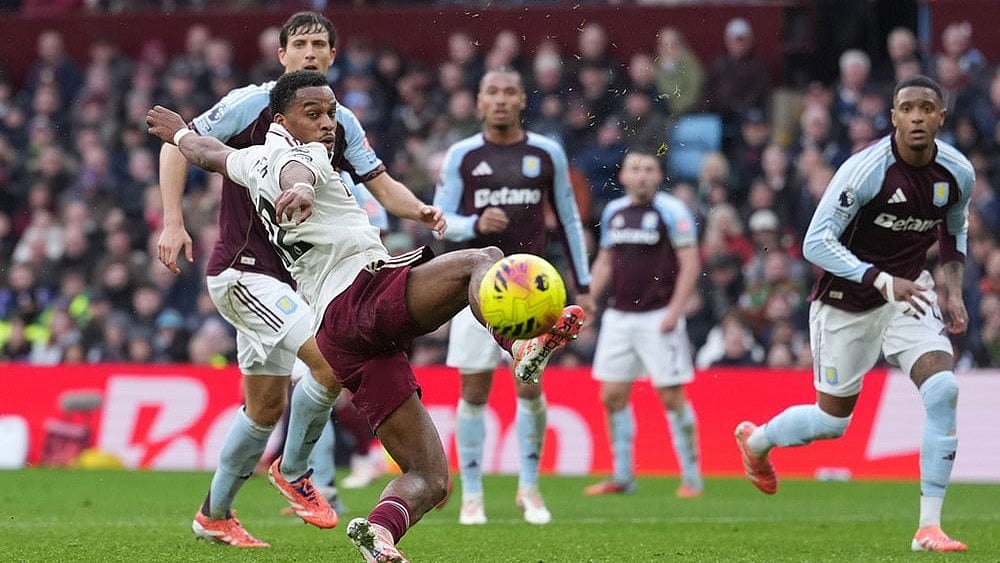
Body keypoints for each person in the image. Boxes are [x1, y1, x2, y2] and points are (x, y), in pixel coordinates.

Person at [147, 69, 585, 563]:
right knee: (481, 260)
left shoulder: (250, 160)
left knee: (431, 475)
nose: (328, 123)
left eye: (332, 112)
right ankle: (518, 344)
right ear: (283, 118)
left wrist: (180, 132)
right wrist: (304, 191)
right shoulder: (302, 153)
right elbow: (299, 173)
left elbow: (211, 154)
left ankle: (378, 535)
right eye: (313, 114)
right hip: (362, 295)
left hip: (341, 336)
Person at [156, 12, 377, 546]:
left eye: (318, 44)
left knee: (263, 408)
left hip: (283, 282)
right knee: (330, 360)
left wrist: (418, 212)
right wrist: (172, 221)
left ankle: (214, 514)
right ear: (282, 55)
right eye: (298, 44)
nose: (308, 52)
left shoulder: (334, 123)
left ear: (331, 56)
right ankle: (296, 470)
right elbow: (181, 144)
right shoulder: (252, 104)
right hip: (243, 273)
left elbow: (371, 182)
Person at [734, 75, 973, 553]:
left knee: (944, 389)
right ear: (894, 118)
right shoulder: (866, 170)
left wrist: (954, 292)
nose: (918, 116)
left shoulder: (957, 173)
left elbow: (953, 231)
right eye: (908, 108)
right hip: (846, 302)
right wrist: (882, 281)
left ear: (941, 117)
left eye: (928, 107)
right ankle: (758, 442)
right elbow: (814, 243)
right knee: (832, 422)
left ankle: (929, 527)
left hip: (911, 296)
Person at [432, 68, 592, 526]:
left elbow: (568, 220)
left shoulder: (546, 153)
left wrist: (583, 287)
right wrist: (475, 226)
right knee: (474, 391)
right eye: (492, 92)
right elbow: (441, 219)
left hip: (535, 293)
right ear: (479, 102)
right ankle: (473, 495)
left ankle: (530, 487)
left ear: (522, 99)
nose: (500, 100)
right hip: (475, 293)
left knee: (530, 386)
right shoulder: (462, 156)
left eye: (509, 91)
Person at [582, 150, 703, 499]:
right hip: (619, 316)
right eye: (635, 169)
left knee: (670, 395)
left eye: (649, 169)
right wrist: (589, 298)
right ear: (623, 176)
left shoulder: (672, 211)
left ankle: (692, 476)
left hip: (658, 315)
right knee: (612, 396)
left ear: (659, 175)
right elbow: (605, 261)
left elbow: (691, 263)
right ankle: (622, 475)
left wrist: (675, 311)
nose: (642, 176)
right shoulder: (614, 212)